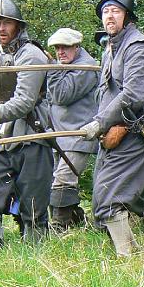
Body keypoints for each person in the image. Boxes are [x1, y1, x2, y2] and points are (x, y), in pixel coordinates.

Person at [81, 0, 144, 257]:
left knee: (109, 199)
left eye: (116, 11)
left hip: (137, 134)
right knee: (103, 195)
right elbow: (106, 96)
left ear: (127, 16)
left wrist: (99, 122)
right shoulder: (110, 49)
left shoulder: (138, 47)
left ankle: (129, 258)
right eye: (106, 11)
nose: (109, 16)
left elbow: (133, 95)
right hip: (112, 135)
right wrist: (100, 125)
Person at [0, 0, 53, 255]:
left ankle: (35, 254)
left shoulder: (33, 55)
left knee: (34, 199)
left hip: (32, 132)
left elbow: (24, 102)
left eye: (7, 23)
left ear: (18, 26)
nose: (2, 29)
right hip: (2, 135)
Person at [46, 28, 98, 230]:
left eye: (65, 47)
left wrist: (50, 68)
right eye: (57, 48)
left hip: (80, 135)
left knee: (64, 180)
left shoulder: (86, 66)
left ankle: (60, 226)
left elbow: (61, 95)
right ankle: (78, 220)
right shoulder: (64, 65)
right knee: (57, 179)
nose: (61, 52)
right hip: (61, 135)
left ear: (77, 46)